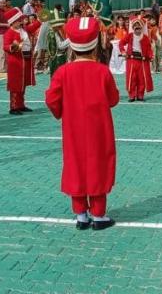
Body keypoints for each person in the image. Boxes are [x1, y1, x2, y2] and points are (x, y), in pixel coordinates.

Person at [45, 16, 120, 231]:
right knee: (99, 164)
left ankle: (81, 214)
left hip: (73, 129)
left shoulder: (63, 72)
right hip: (100, 129)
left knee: (75, 164)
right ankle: (98, 214)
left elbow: (51, 99)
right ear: (95, 43)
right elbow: (113, 99)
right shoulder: (102, 71)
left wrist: (61, 112)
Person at [4, 7, 42, 115]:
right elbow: (5, 46)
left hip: (25, 60)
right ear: (13, 22)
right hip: (16, 61)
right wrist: (14, 46)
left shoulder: (23, 29)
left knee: (23, 84)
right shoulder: (9, 33)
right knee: (15, 85)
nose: (21, 22)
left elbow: (33, 27)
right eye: (18, 20)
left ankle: (21, 105)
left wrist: (40, 20)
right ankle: (14, 107)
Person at [118, 16, 153, 101]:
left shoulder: (145, 38)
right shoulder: (129, 36)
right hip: (132, 60)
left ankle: (140, 95)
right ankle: (132, 95)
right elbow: (121, 43)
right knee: (131, 78)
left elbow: (149, 49)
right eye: (136, 28)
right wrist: (123, 51)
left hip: (142, 61)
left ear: (141, 28)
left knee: (142, 78)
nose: (137, 30)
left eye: (139, 28)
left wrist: (151, 56)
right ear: (133, 28)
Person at [46, 10, 69, 76]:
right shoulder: (52, 34)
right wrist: (70, 39)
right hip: (57, 59)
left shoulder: (54, 32)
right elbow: (60, 46)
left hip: (58, 58)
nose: (60, 27)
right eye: (58, 25)